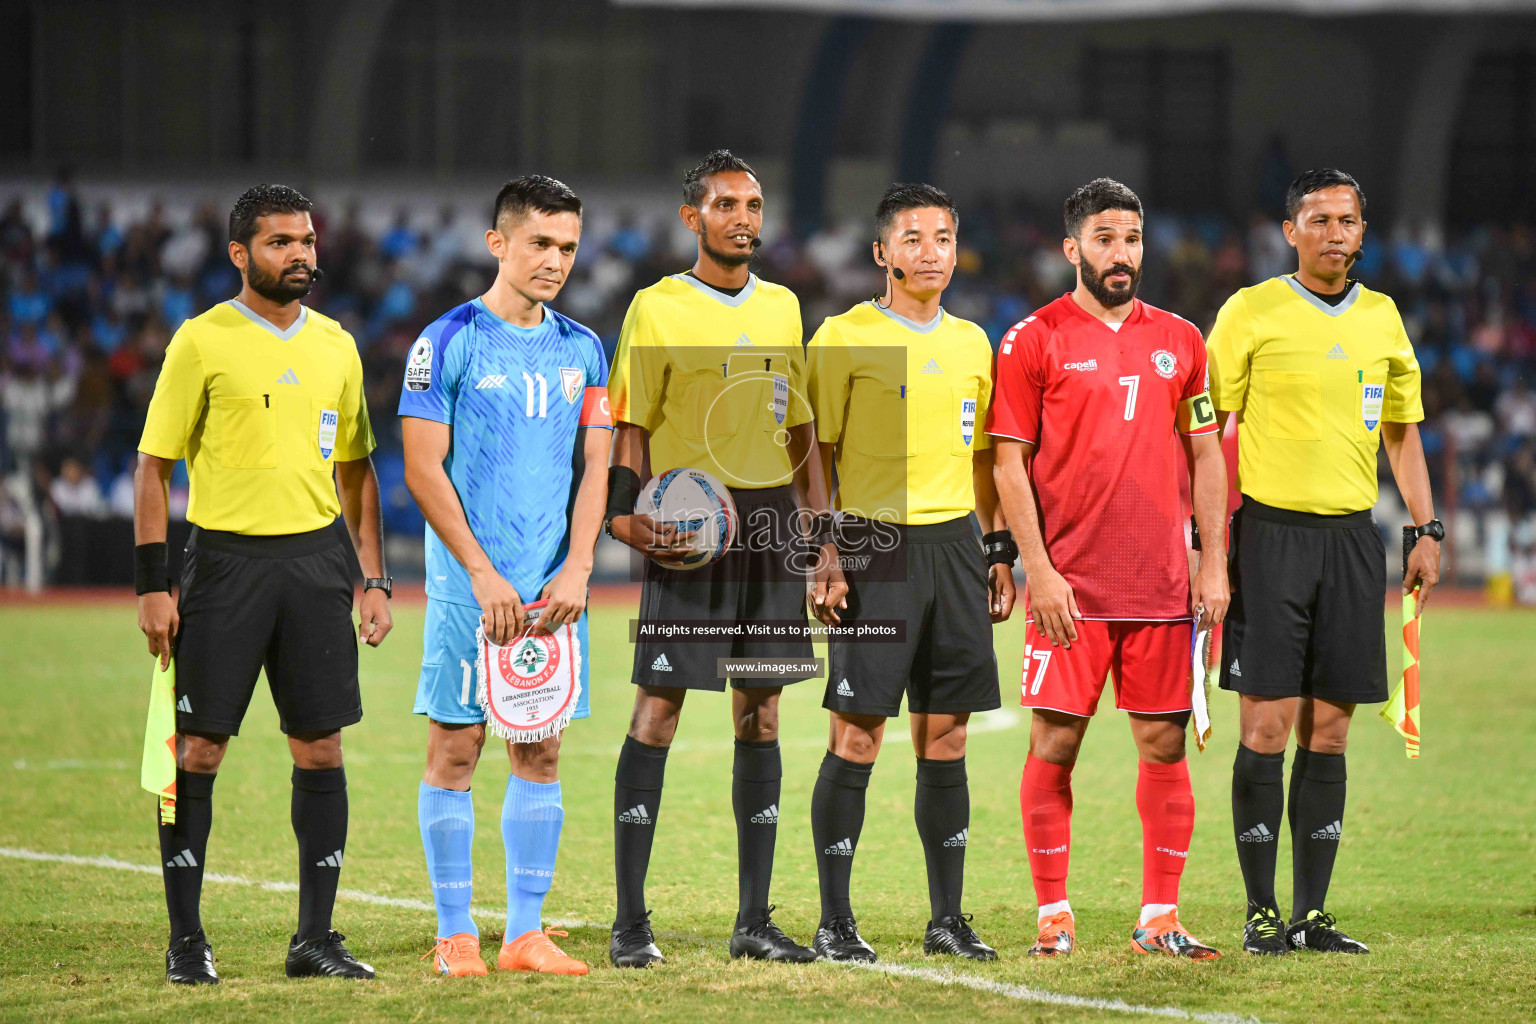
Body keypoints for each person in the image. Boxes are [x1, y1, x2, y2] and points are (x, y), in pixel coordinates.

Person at [135, 184, 391, 984]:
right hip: (224, 564)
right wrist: (152, 583)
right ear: (241, 254)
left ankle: (314, 939)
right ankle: (186, 941)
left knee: (321, 746)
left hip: (317, 567)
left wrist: (372, 577)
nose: (302, 256)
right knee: (199, 750)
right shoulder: (201, 341)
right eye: (281, 243)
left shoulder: (338, 345)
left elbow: (357, 469)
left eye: (308, 241)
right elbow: (153, 468)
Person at [989, 178, 1229, 960]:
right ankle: (1053, 917)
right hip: (1071, 591)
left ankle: (1160, 917)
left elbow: (1206, 457)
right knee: (1053, 746)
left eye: (1129, 238)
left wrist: (1212, 562)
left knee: (1162, 749)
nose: (1119, 253)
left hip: (1162, 586)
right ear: (1072, 249)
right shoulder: (1033, 339)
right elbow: (1008, 464)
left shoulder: (1184, 342)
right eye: (1103, 238)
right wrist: (1038, 570)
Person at [1208, 169, 1441, 955]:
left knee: (1332, 732)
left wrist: (1426, 527)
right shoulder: (1250, 311)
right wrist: (1207, 539)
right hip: (1270, 536)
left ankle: (1309, 916)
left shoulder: (1382, 318)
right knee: (1267, 726)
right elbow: (1206, 429)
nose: (1336, 233)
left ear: (1362, 230)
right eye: (1319, 219)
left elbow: (1403, 432)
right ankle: (1260, 912)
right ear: (1290, 230)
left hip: (1350, 539)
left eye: (1347, 220)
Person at [605, 150, 828, 968]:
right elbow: (630, 422)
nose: (745, 217)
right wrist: (619, 515)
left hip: (769, 523)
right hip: (689, 527)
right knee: (657, 711)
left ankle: (753, 923)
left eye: (754, 203)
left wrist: (820, 533)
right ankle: (632, 924)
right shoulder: (655, 308)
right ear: (692, 218)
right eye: (726, 203)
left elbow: (800, 428)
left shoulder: (783, 307)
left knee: (761, 713)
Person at [398, 176, 612, 978]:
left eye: (567, 246)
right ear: (499, 244)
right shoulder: (446, 340)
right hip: (469, 587)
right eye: (540, 244)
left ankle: (524, 934)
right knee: (456, 750)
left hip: (553, 590)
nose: (556, 260)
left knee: (541, 751)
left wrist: (579, 567)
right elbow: (422, 470)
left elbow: (598, 466)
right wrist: (482, 573)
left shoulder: (585, 348)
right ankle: (456, 933)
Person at [804, 182, 1016, 963]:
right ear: (881, 253)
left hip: (956, 546)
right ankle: (835, 922)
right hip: (873, 545)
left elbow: (985, 459)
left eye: (943, 238)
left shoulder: (972, 343)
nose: (931, 252)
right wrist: (823, 554)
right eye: (914, 238)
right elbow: (812, 454)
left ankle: (947, 920)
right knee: (858, 736)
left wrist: (996, 549)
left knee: (948, 737)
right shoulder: (841, 337)